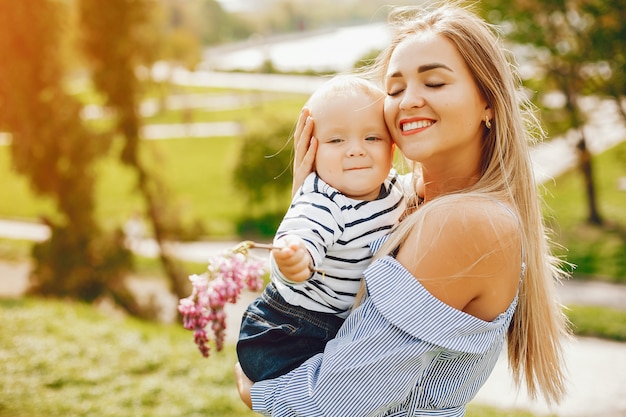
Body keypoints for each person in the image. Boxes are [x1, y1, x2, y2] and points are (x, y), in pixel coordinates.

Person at [235, 3, 571, 415]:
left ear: (489, 102)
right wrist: (313, 205)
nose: (409, 100)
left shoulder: (466, 223)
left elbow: (329, 403)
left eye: (433, 82)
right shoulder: (402, 203)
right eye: (394, 90)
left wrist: (256, 393)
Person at [236, 75, 406, 382]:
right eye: (336, 140)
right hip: (293, 328)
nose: (355, 150)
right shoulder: (323, 201)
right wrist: (294, 259)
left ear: (392, 149)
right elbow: (300, 233)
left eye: (372, 138)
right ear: (312, 154)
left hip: (339, 326)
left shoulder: (392, 185)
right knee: (323, 392)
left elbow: (413, 186)